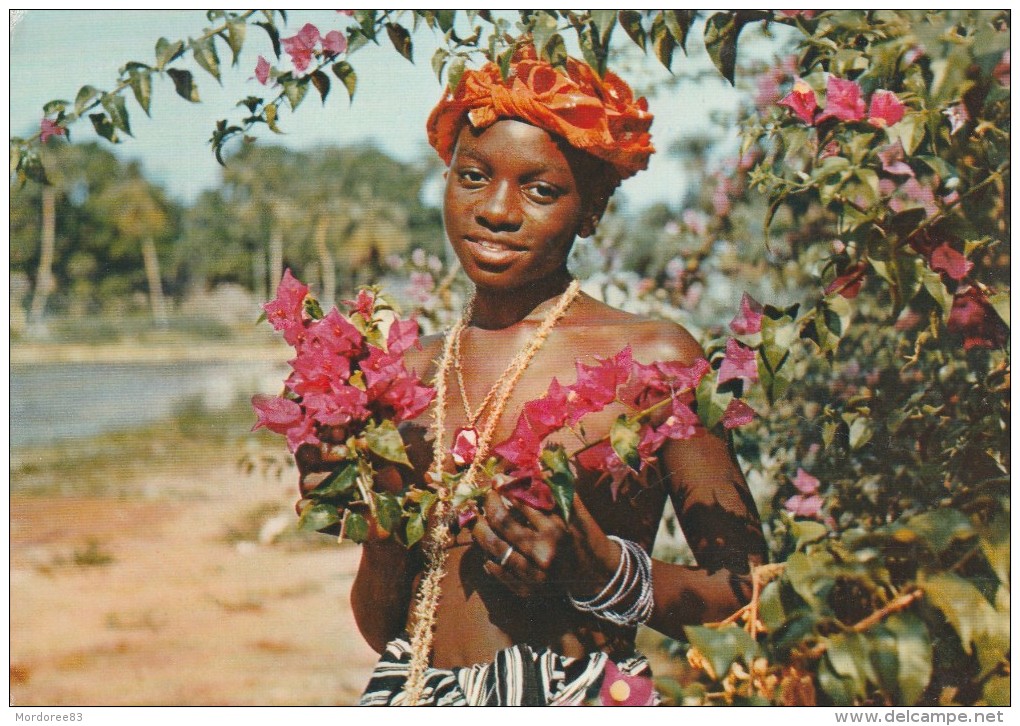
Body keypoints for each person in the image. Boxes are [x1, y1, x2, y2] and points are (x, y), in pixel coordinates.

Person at [298, 48, 767, 706]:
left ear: (592, 208)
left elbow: (755, 593)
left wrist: (601, 570)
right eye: (472, 176)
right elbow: (388, 631)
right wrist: (380, 525)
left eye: (539, 189)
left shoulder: (654, 358)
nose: (496, 209)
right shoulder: (403, 375)